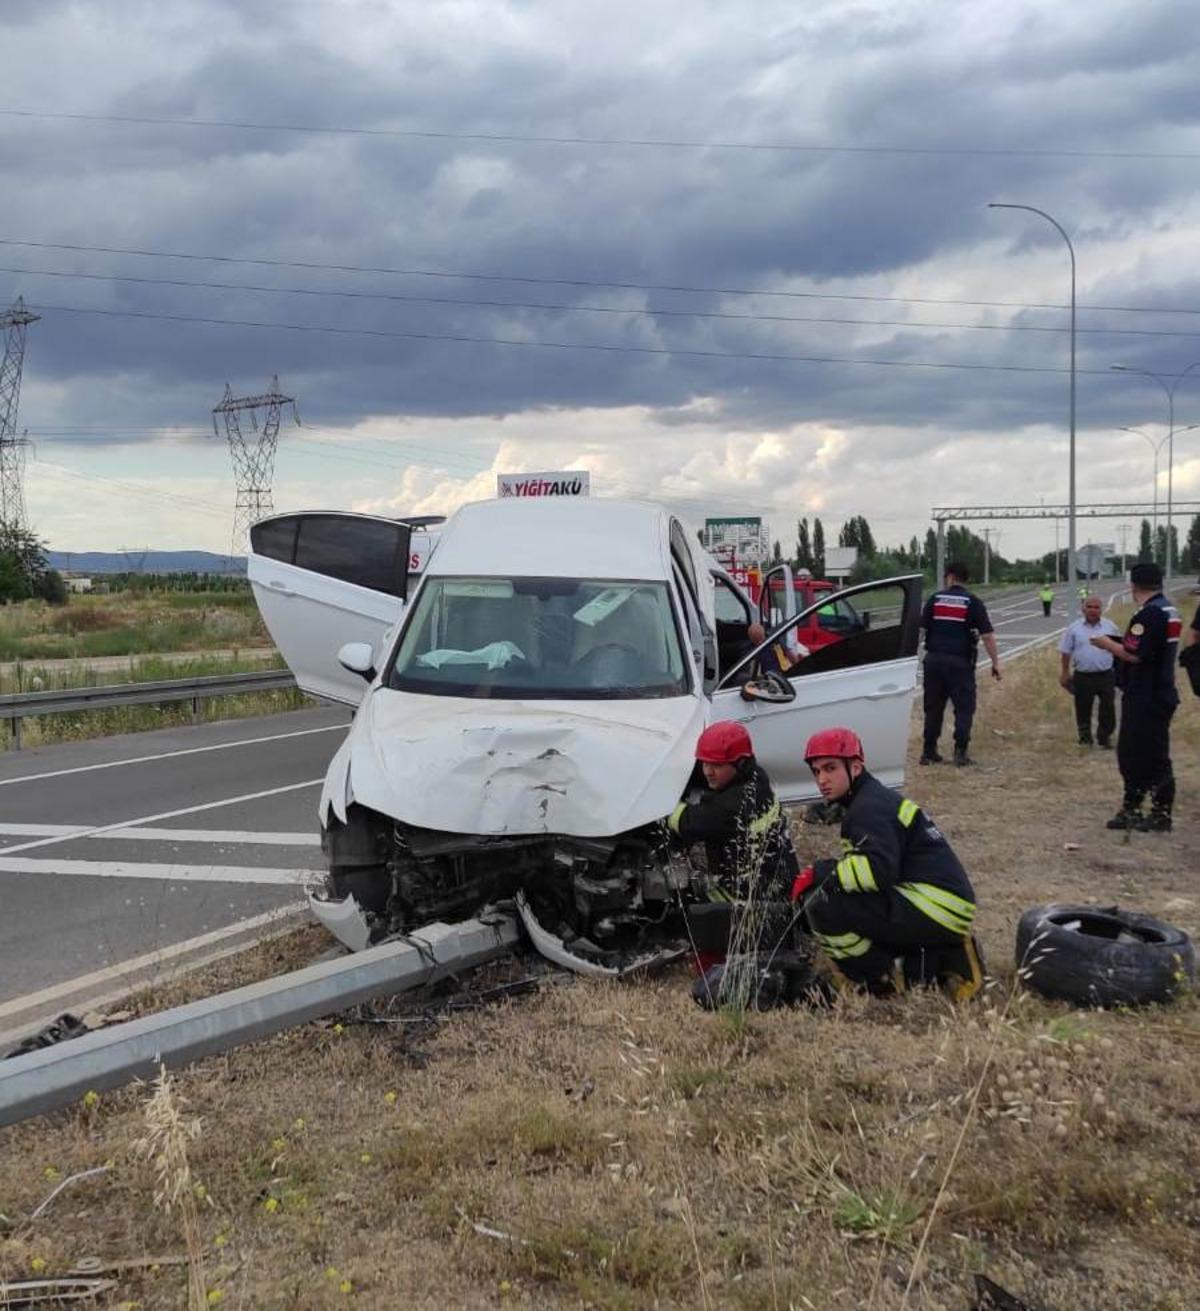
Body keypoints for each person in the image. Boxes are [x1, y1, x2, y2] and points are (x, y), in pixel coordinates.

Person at [796, 728, 983, 999]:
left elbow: (878, 872)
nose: (822, 779)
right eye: (816, 772)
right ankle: (936, 958)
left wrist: (820, 873)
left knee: (822, 902)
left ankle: (876, 978)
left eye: (830, 768)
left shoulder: (867, 809)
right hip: (941, 903)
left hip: (935, 905)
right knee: (844, 896)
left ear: (856, 767)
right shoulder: (871, 799)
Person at [1089, 562, 1181, 832]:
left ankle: (1140, 808)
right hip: (1160, 690)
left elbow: (1133, 654)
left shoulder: (1148, 614)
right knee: (1155, 752)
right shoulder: (1168, 609)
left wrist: (1106, 644)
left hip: (1145, 694)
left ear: (1134, 585)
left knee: (1134, 754)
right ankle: (1156, 809)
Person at [667, 721, 798, 899]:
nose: (708, 772)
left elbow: (687, 823)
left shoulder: (735, 804)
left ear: (741, 764)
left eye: (717, 766)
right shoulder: (755, 775)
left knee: (685, 911)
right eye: (705, 763)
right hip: (772, 879)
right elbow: (710, 770)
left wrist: (663, 805)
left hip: (756, 898)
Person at [919, 562, 1001, 766]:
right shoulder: (972, 602)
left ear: (950, 577)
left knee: (933, 707)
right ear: (965, 579)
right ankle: (960, 753)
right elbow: (988, 636)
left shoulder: (934, 599)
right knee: (964, 707)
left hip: (934, 661)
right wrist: (995, 663)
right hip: (960, 663)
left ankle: (929, 752)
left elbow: (919, 631)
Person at [1058, 595, 1121, 747]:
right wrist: (1065, 673)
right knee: (1083, 707)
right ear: (1083, 609)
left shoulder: (1110, 627)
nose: (1093, 610)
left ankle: (1104, 738)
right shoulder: (1074, 628)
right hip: (1083, 675)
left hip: (1106, 674)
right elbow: (1065, 652)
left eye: (1096, 607)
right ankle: (1085, 739)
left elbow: (1119, 650)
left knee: (1108, 707)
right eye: (1089, 607)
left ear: (1102, 609)